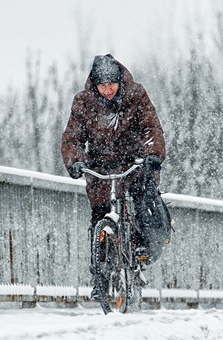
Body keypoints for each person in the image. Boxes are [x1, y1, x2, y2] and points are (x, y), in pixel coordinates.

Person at [61, 54, 166, 298]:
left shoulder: (136, 95)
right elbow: (72, 138)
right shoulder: (83, 102)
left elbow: (152, 127)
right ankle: (100, 276)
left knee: (143, 200)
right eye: (102, 86)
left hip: (135, 164)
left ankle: (143, 246)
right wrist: (75, 161)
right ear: (94, 85)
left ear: (119, 81)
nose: (107, 90)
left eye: (111, 85)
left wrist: (152, 154)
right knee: (99, 215)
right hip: (100, 168)